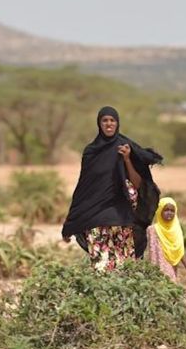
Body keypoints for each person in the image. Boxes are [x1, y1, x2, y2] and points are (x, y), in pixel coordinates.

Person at [61, 106, 162, 272]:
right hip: (96, 220)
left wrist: (127, 159)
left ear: (117, 123)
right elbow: (83, 187)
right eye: (105, 120)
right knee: (101, 270)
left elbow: (138, 184)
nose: (109, 124)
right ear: (99, 124)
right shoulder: (91, 152)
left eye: (112, 120)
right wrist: (71, 222)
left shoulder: (125, 147)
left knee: (125, 270)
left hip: (122, 220)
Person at [146, 197, 186, 282]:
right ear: (160, 211)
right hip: (157, 272)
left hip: (172, 270)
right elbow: (151, 253)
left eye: (172, 211)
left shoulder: (176, 231)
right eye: (166, 210)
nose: (169, 213)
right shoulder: (153, 230)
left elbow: (180, 251)